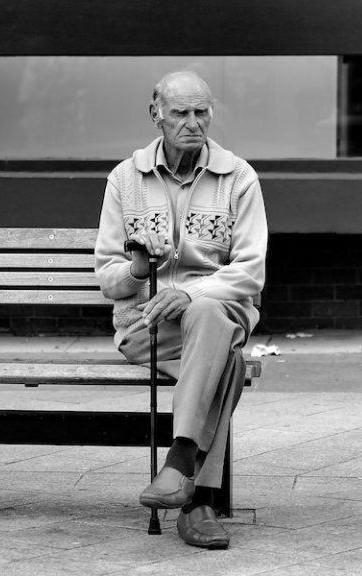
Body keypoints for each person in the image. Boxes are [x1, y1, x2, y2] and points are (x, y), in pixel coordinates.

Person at [94, 70, 267, 549]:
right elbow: (107, 278)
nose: (193, 123)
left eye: (202, 112)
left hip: (213, 316)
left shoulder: (238, 177)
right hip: (147, 330)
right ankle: (199, 501)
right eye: (180, 113)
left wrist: (194, 293)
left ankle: (180, 461)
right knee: (226, 361)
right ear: (156, 115)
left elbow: (251, 271)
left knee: (211, 317)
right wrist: (136, 266)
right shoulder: (125, 179)